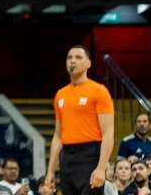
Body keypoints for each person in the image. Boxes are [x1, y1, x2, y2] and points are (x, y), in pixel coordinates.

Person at [41, 46, 115, 195]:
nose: (72, 61)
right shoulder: (60, 94)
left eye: (78, 57)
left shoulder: (99, 91)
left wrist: (101, 168)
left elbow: (108, 133)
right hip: (66, 157)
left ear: (88, 64)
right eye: (69, 58)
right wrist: (50, 171)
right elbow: (57, 136)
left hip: (89, 155)